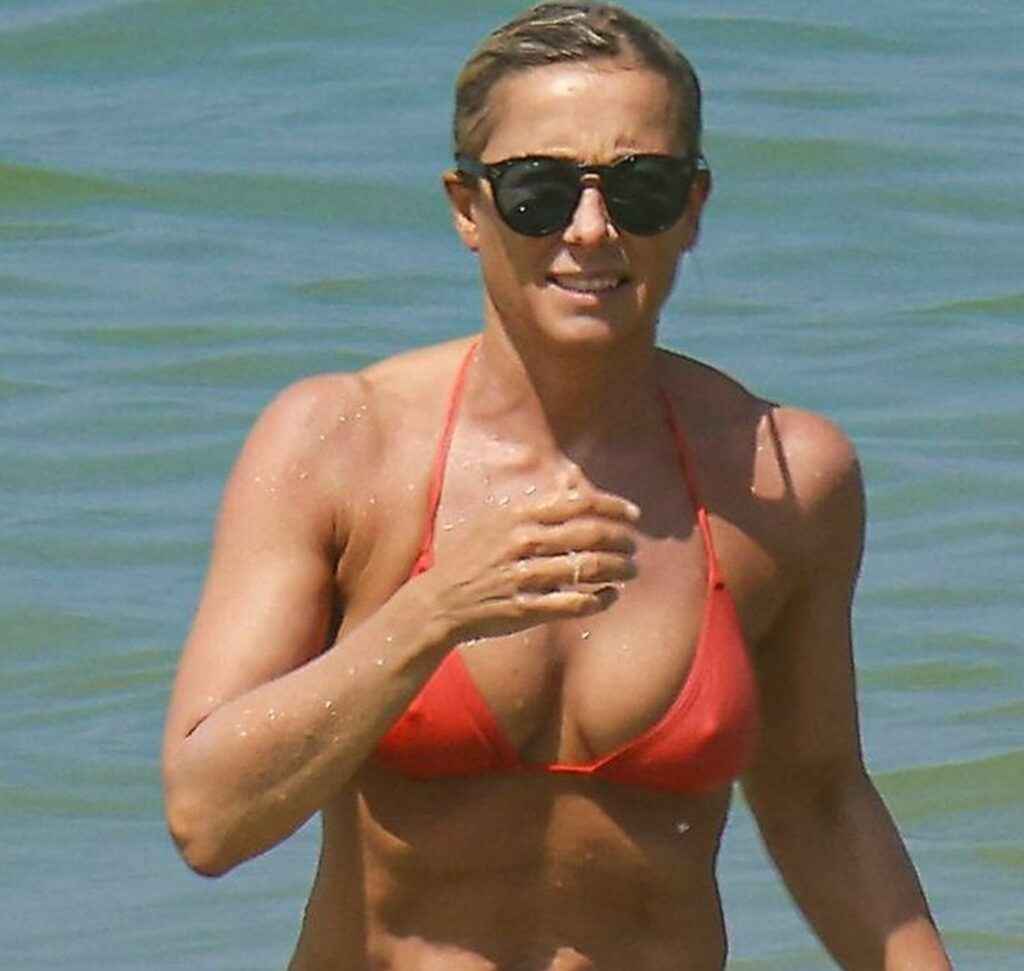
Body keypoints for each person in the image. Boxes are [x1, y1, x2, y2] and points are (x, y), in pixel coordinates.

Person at [162, 4, 953, 969]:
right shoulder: (342, 445)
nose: (590, 229)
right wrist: (432, 613)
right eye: (537, 190)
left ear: (693, 208)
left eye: (642, 188)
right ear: (468, 207)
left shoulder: (783, 476)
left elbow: (817, 796)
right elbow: (208, 818)